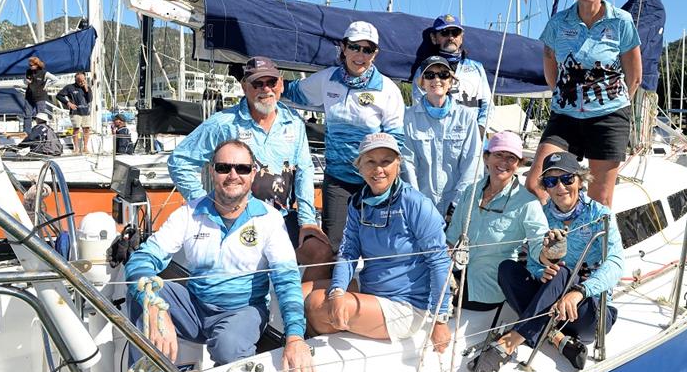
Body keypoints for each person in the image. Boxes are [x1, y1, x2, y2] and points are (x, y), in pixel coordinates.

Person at [125, 140, 315, 372]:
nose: (233, 175)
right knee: (142, 291)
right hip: (194, 307)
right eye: (224, 167)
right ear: (212, 171)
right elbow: (141, 259)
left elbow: (287, 281)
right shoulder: (189, 213)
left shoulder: (269, 220)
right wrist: (154, 306)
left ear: (253, 173)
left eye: (242, 168)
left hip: (243, 309)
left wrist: (295, 337)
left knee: (229, 344)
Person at [168, 57, 329, 278]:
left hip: (281, 217)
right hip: (235, 220)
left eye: (271, 82)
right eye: (257, 84)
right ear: (244, 87)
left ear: (280, 84)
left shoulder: (294, 123)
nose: (266, 89)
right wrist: (205, 205)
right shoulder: (223, 123)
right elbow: (180, 161)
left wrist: (307, 221)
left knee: (322, 254)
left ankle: (300, 308)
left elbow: (304, 171)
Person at [469, 151, 623, 372]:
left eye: (567, 179)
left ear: (580, 180)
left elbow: (616, 263)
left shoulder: (600, 215)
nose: (560, 187)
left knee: (562, 273)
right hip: (552, 305)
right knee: (507, 269)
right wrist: (541, 271)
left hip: (586, 312)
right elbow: (532, 261)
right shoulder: (541, 216)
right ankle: (555, 337)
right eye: (551, 181)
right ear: (546, 187)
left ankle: (508, 343)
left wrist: (580, 291)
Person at [305, 133, 452, 352]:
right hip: (371, 288)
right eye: (371, 162)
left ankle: (316, 350)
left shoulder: (417, 204)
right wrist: (337, 291)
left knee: (317, 305)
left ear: (398, 164)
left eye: (386, 161)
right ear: (359, 167)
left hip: (406, 305)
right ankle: (311, 339)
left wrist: (440, 320)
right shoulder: (358, 202)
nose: (378, 169)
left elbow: (439, 262)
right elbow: (348, 253)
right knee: (300, 293)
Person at [525, 0, 642, 208]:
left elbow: (634, 76)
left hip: (608, 116)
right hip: (565, 116)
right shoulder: (558, 23)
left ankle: (587, 240)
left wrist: (611, 104)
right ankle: (566, 221)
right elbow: (550, 67)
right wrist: (566, 95)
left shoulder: (621, 22)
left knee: (600, 198)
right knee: (536, 182)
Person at [283, 21, 407, 261]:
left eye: (367, 50)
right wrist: (263, 83)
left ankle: (368, 295)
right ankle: (337, 293)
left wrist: (379, 174)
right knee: (335, 248)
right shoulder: (327, 79)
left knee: (376, 247)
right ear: (343, 48)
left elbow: (396, 141)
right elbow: (295, 92)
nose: (360, 55)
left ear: (375, 54)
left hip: (375, 181)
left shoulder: (388, 90)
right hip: (337, 180)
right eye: (355, 47)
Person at [446, 131, 549, 311]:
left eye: (511, 158)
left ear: (519, 164)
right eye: (498, 155)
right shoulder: (471, 191)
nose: (503, 162)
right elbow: (452, 238)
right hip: (456, 275)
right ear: (487, 157)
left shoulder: (528, 203)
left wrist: (551, 250)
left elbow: (539, 247)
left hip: (487, 289)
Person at [404, 56, 481, 221]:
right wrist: (417, 203)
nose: (436, 79)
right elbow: (407, 162)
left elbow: (472, 162)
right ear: (422, 82)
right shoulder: (408, 117)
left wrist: (456, 206)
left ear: (451, 81)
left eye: (443, 75)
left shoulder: (467, 117)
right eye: (430, 75)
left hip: (457, 209)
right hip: (420, 209)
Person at [412, 14, 492, 135]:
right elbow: (419, 105)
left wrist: (480, 129)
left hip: (474, 134)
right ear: (434, 38)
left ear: (461, 38)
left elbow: (488, 104)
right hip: (439, 136)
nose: (450, 37)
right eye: (444, 33)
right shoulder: (423, 71)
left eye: (455, 33)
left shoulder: (477, 68)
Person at [57, 72, 93, 154]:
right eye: (80, 80)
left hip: (86, 111)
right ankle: (76, 148)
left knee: (86, 129)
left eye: (83, 80)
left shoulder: (87, 87)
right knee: (76, 129)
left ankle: (85, 147)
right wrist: (68, 103)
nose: (82, 82)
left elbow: (90, 100)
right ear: (76, 80)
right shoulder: (70, 87)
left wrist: (86, 89)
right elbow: (59, 95)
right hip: (75, 111)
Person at [23, 56, 57, 132]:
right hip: (29, 96)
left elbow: (55, 79)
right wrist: (26, 81)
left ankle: (41, 131)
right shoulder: (28, 71)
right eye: (29, 65)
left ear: (37, 64)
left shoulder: (44, 73)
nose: (30, 67)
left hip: (40, 97)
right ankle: (26, 132)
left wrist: (46, 85)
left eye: (32, 65)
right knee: (27, 115)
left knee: (41, 115)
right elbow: (24, 81)